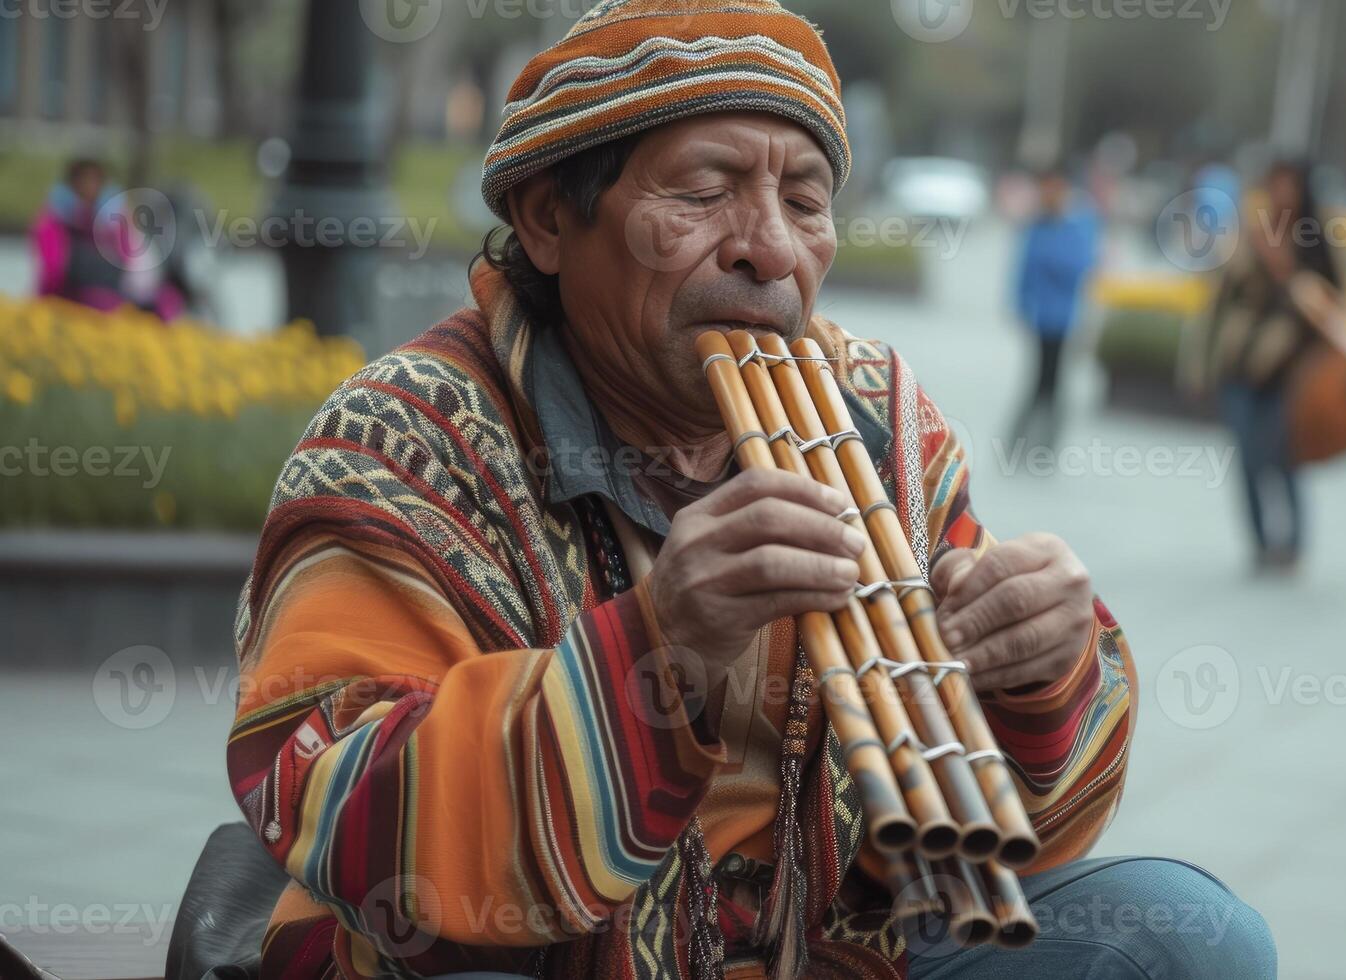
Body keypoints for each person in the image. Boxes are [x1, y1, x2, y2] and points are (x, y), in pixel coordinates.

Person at [221, 3, 1274, 979]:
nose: (769, 247)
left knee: (1193, 936)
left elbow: (995, 839)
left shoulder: (880, 414)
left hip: (831, 945)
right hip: (530, 953)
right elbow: (335, 804)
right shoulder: (401, 437)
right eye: (702, 191)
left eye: (804, 200)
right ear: (549, 219)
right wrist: (657, 648)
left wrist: (1040, 670)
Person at [1179, 160, 1340, 574]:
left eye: (1290, 186)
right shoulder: (1247, 234)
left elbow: (1333, 306)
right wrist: (1199, 366)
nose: (1282, 195)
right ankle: (1261, 543)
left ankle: (1294, 544)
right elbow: (1217, 304)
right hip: (1242, 366)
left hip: (1291, 371)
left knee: (1284, 457)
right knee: (1247, 457)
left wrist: (1284, 268)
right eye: (1275, 185)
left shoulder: (1315, 240)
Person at [1009, 170, 1100, 449]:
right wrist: (1021, 304)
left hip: (1065, 319)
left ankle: (1047, 441)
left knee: (1054, 381)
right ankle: (1021, 439)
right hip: (1040, 317)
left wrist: (1052, 263)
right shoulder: (1037, 227)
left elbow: (1081, 267)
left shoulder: (1077, 226)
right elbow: (1024, 269)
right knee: (1038, 378)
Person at [30, 158, 184, 319]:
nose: (89, 186)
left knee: (165, 298)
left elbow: (131, 262)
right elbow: (52, 273)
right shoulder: (53, 220)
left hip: (111, 299)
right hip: (67, 299)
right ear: (72, 183)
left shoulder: (115, 216)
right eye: (84, 179)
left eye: (94, 180)